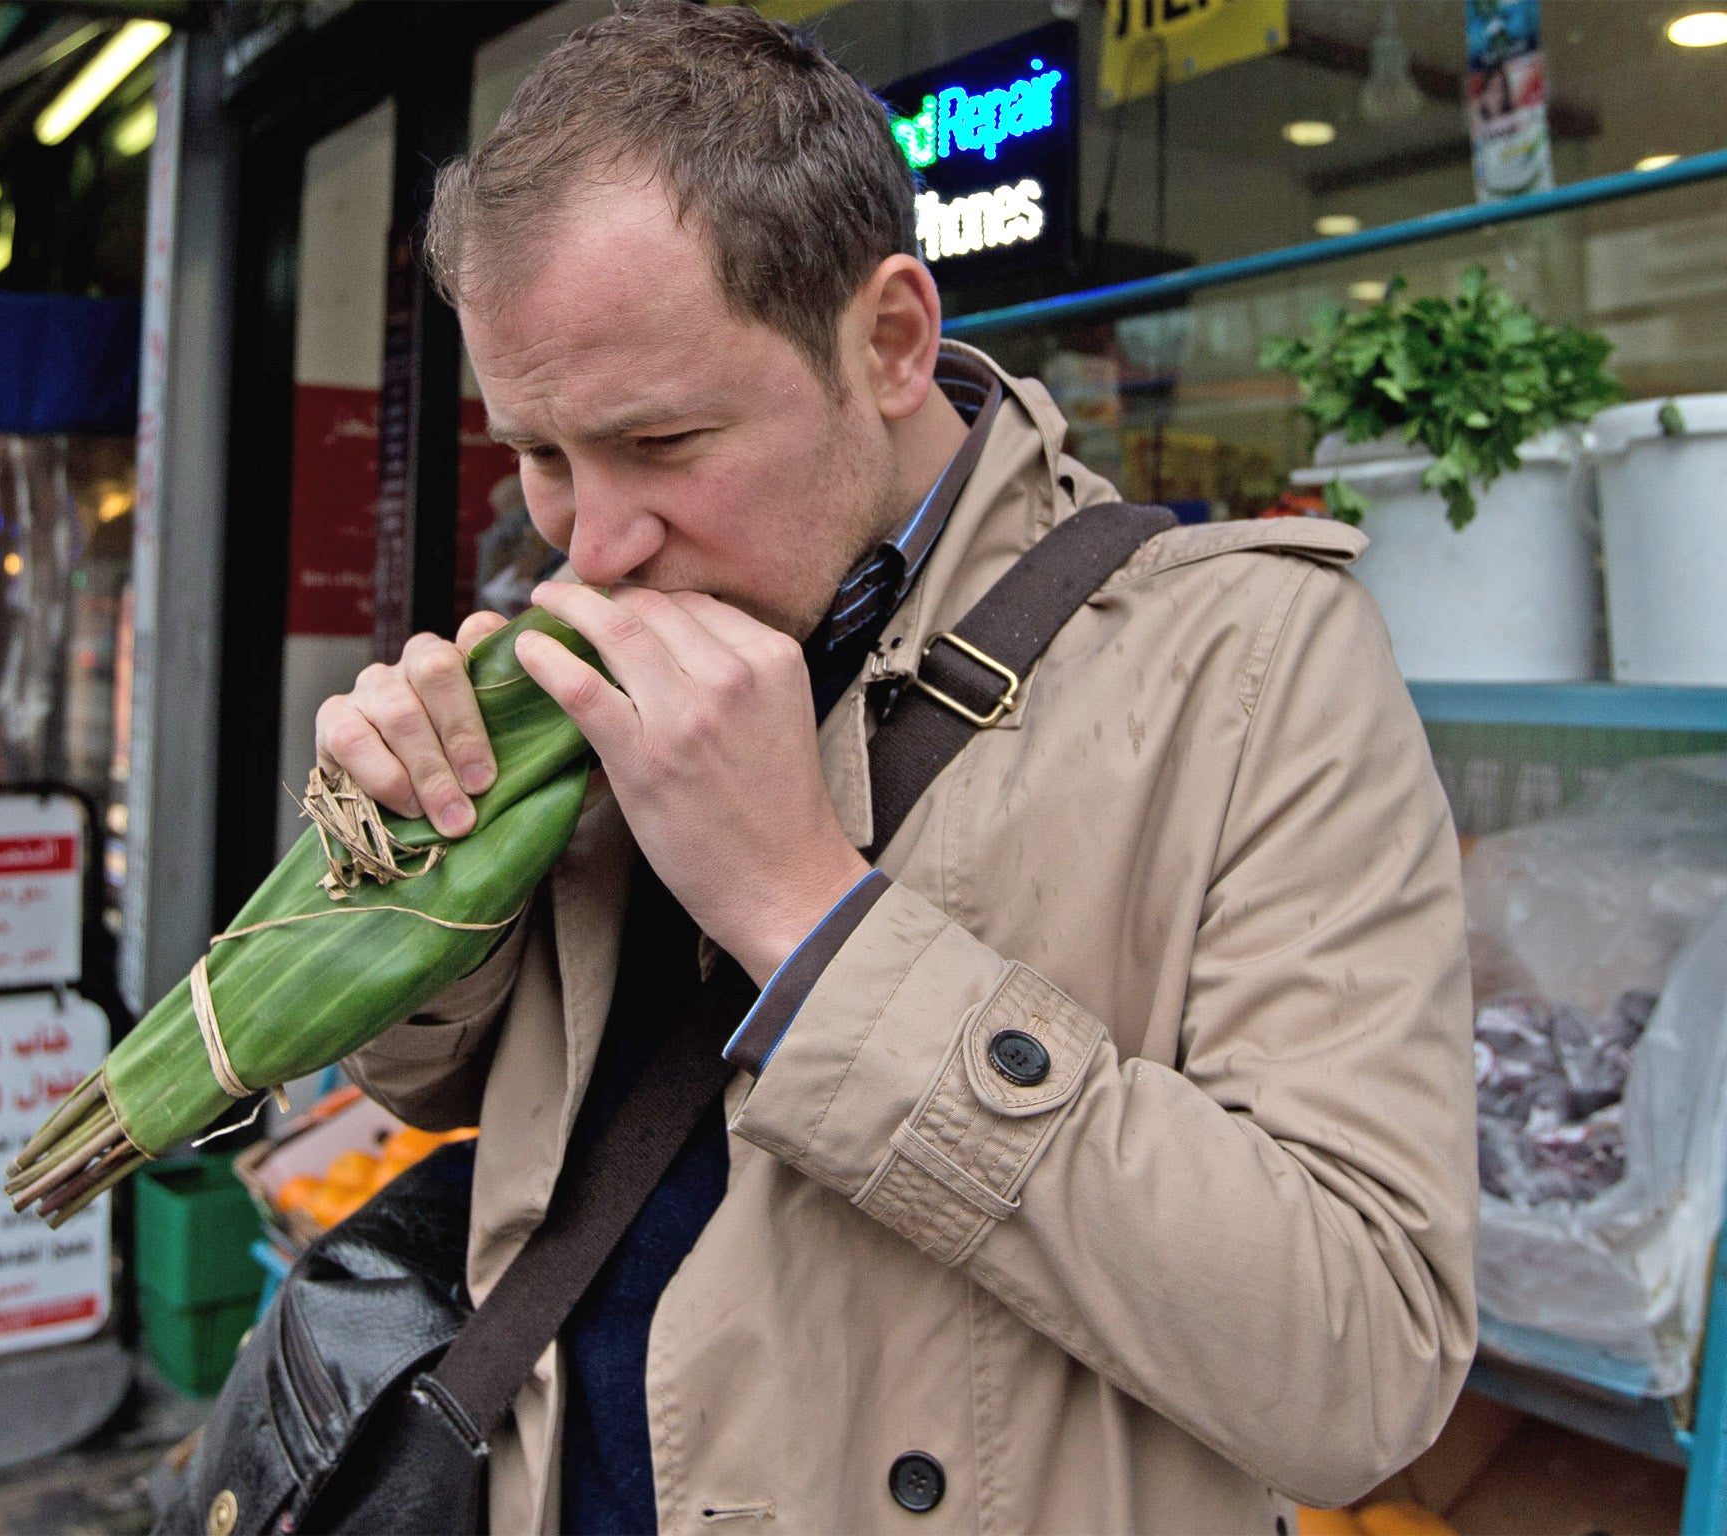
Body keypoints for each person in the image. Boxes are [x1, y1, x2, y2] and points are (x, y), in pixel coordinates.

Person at [316, 4, 1476, 1531]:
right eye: (539, 453)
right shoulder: (592, 637)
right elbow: (438, 1089)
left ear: (889, 341)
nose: (589, 545)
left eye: (663, 441)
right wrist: (407, 872)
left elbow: (1362, 1368)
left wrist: (810, 923)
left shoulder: (1252, 663)